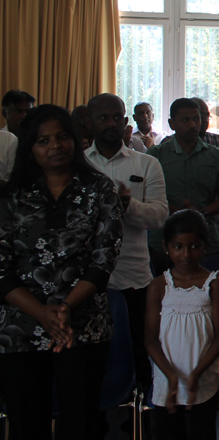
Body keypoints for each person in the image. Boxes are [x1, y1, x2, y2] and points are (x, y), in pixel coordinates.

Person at [0, 104, 123, 440]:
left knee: (81, 424)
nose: (55, 145)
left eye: (62, 136)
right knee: (27, 425)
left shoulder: (101, 189)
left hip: (82, 325)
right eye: (43, 140)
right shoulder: (11, 196)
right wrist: (43, 313)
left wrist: (65, 309)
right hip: (21, 328)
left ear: (75, 140)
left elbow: (104, 260)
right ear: (30, 148)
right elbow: (1, 268)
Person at [84, 93, 168, 395]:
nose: (110, 123)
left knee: (138, 351)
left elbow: (159, 216)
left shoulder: (147, 163)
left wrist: (128, 205)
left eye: (116, 117)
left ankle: (143, 412)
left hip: (133, 276)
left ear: (125, 122)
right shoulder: (77, 164)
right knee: (92, 359)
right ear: (90, 122)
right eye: (103, 118)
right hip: (84, 279)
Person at [145, 210, 219, 440]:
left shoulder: (214, 285)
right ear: (166, 247)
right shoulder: (158, 286)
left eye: (194, 246)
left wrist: (197, 372)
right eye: (178, 247)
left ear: (205, 246)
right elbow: (150, 339)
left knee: (203, 432)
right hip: (167, 379)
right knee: (168, 433)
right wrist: (170, 375)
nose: (186, 254)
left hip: (203, 377)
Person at [145, 99, 219, 274]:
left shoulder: (216, 155)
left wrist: (201, 213)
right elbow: (147, 196)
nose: (193, 124)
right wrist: (177, 213)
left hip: (206, 240)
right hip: (164, 242)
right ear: (172, 124)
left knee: (209, 288)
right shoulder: (156, 155)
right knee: (166, 289)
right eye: (185, 120)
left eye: (196, 119)